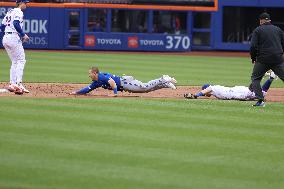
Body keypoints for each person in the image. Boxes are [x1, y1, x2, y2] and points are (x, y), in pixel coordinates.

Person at [249, 12, 284, 106]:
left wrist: (253, 58)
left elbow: (253, 46)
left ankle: (260, 101)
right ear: (269, 20)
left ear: (261, 21)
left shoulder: (258, 30)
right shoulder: (278, 29)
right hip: (277, 58)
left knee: (255, 79)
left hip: (263, 59)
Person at [70, 66, 177, 96]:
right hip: (124, 85)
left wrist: (115, 94)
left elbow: (112, 82)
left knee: (144, 86)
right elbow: (87, 89)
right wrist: (76, 92)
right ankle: (165, 84)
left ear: (95, 73)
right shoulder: (96, 82)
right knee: (146, 90)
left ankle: (162, 78)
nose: (89, 75)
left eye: (90, 73)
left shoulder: (101, 77)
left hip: (125, 82)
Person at [184, 71, 277, 104]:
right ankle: (271, 77)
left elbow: (206, 90)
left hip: (236, 92)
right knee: (262, 94)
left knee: (251, 89)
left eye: (204, 91)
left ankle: (259, 75)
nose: (205, 94)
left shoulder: (213, 88)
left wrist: (195, 96)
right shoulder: (214, 92)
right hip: (236, 92)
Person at [1, 0, 30, 94]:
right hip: (13, 37)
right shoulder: (18, 11)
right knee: (21, 60)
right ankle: (18, 84)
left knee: (14, 61)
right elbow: (16, 23)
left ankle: (12, 84)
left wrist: (8, 34)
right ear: (21, 3)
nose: (26, 4)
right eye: (25, 3)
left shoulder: (10, 11)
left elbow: (2, 26)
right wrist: (23, 34)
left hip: (6, 37)